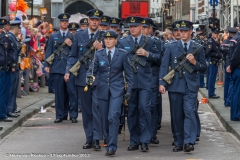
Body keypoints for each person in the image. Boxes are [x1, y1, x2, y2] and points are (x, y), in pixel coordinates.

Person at [159, 20, 207, 152]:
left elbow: (204, 68)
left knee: (190, 112)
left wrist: (194, 62)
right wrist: (162, 83)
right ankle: (179, 141)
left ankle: (189, 141)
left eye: (186, 31)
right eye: (181, 31)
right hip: (175, 85)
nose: (183, 33)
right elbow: (164, 66)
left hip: (190, 86)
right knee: (176, 115)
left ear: (191, 32)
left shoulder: (198, 47)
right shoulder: (171, 47)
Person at [87, 30, 133, 156]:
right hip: (102, 90)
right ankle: (108, 140)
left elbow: (129, 75)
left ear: (116, 40)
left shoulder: (122, 54)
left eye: (111, 39)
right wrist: (89, 78)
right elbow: (92, 70)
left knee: (113, 116)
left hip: (117, 90)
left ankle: (112, 147)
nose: (108, 41)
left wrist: (128, 91)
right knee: (105, 119)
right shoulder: (99, 53)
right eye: (106, 39)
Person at [118, 16, 160, 152]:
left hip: (145, 82)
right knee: (132, 112)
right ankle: (134, 140)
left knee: (145, 109)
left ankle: (145, 140)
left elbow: (159, 59)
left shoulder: (150, 41)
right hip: (130, 83)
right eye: (130, 27)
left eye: (134, 26)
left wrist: (147, 54)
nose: (132, 29)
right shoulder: (123, 41)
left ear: (141, 27)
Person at [66, 9, 104, 150]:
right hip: (82, 77)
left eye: (97, 19)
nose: (94, 21)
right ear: (88, 20)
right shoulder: (79, 35)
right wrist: (68, 71)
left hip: (99, 78)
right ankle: (89, 138)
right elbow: (73, 55)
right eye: (92, 19)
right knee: (87, 110)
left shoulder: (104, 35)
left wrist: (101, 49)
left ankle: (97, 138)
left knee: (97, 109)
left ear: (99, 21)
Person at [44, 13, 78, 123]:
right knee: (59, 93)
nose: (64, 23)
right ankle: (60, 114)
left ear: (68, 23)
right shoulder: (54, 36)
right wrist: (47, 65)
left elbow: (77, 51)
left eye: (66, 21)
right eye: (63, 21)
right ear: (60, 23)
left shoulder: (73, 36)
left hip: (70, 68)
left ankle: (73, 115)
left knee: (71, 92)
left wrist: (71, 45)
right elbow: (49, 51)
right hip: (57, 68)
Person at [142, 18, 162, 144]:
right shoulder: (132, 41)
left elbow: (160, 60)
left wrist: (147, 54)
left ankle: (152, 133)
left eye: (145, 28)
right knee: (140, 107)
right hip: (138, 78)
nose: (143, 30)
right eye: (141, 27)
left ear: (150, 29)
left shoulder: (156, 42)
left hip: (152, 77)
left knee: (152, 106)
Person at [0, 17, 15, 122]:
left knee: (5, 92)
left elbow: (10, 51)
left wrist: (11, 63)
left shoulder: (6, 38)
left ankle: (3, 113)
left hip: (6, 68)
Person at [7, 19, 22, 118]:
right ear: (16, 28)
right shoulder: (11, 38)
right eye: (18, 28)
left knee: (14, 88)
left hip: (15, 65)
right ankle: (10, 109)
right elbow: (12, 53)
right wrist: (13, 65)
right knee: (11, 89)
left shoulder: (13, 37)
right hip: (13, 66)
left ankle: (12, 108)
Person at [221, 27, 237, 107]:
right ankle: (229, 100)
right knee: (231, 82)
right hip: (231, 64)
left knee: (226, 82)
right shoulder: (234, 41)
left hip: (225, 63)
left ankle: (225, 99)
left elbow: (223, 53)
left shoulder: (225, 42)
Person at [226, 28, 240, 121]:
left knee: (236, 92)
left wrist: (229, 65)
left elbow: (229, 54)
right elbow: (236, 56)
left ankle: (235, 114)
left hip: (235, 68)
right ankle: (236, 115)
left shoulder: (234, 39)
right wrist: (231, 66)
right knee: (237, 93)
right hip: (238, 68)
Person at [205, 28, 222, 98]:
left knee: (213, 77)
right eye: (216, 34)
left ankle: (212, 92)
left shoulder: (215, 41)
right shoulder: (211, 42)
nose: (217, 35)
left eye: (217, 34)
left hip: (215, 61)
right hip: (213, 61)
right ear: (213, 34)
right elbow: (208, 52)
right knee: (212, 77)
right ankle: (211, 93)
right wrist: (217, 55)